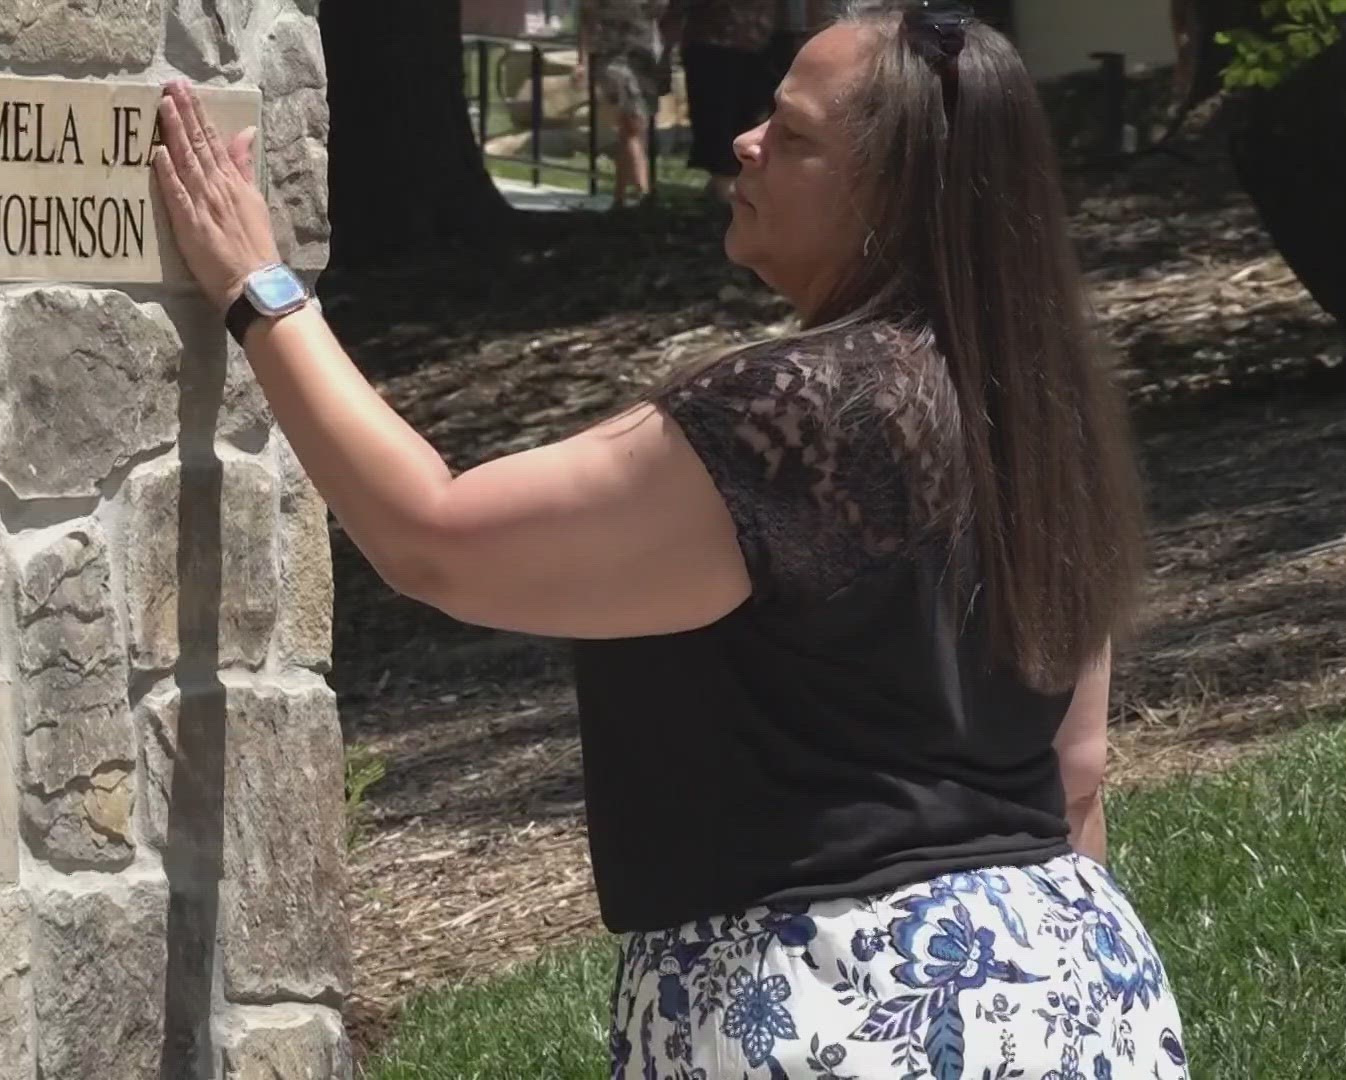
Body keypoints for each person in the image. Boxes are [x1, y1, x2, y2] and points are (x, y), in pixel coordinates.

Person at [145, 0, 1188, 1073]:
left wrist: (261, 291)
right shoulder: (1039, 413)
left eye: (795, 137)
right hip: (1079, 990)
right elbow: (1077, 778)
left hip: (833, 1005)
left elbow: (436, 542)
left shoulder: (794, 418)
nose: (746, 141)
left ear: (892, 193)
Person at [664, 0, 798, 201]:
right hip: (716, 45)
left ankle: (731, 191)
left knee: (745, 123)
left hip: (759, 45)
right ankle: (725, 190)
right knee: (718, 124)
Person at [576, 0, 671, 206]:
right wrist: (582, 61)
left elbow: (667, 19)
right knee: (632, 122)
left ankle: (619, 199)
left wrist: (666, 59)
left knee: (634, 129)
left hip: (646, 58)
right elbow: (585, 18)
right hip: (611, 57)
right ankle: (643, 193)